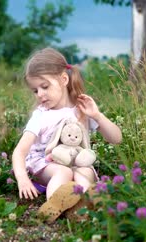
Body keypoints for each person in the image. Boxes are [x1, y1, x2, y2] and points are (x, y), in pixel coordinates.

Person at [12, 47, 122, 222]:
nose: (40, 94)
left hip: (76, 162)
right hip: (48, 164)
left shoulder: (82, 109)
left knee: (84, 172)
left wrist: (97, 115)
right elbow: (20, 152)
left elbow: (116, 138)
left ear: (63, 79)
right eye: (35, 90)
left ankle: (83, 208)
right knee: (63, 172)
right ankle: (55, 205)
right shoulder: (41, 115)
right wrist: (22, 179)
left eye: (44, 86)